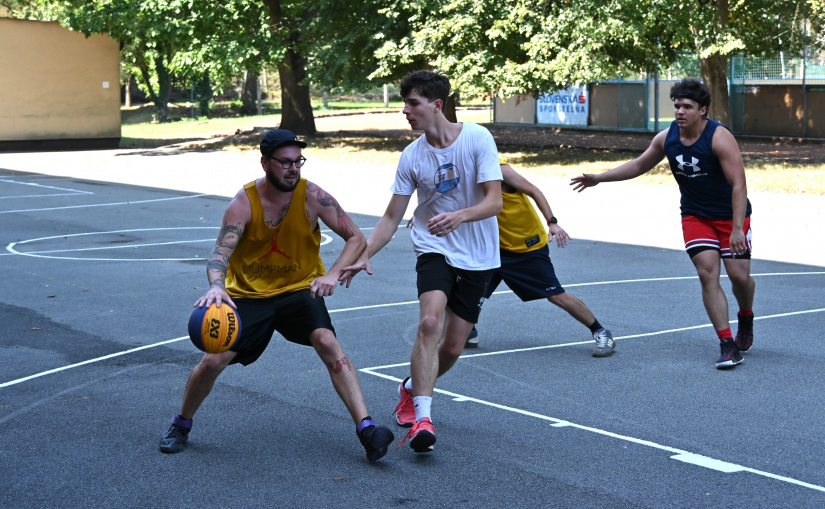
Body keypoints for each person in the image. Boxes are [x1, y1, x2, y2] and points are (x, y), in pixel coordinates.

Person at [159, 129, 394, 461]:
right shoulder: (244, 203)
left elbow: (356, 238)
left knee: (328, 342)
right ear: (265, 162)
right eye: (285, 162)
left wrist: (332, 273)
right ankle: (181, 424)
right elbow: (219, 255)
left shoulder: (313, 195)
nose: (293, 169)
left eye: (298, 161)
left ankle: (367, 430)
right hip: (250, 296)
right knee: (213, 359)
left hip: (300, 289)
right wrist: (216, 286)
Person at [341, 70, 502, 453]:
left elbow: (495, 201)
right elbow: (392, 216)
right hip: (434, 246)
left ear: (436, 105)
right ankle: (423, 418)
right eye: (405, 104)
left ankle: (412, 387)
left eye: (412, 103)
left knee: (451, 349)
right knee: (429, 322)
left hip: (479, 254)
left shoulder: (478, 138)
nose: (406, 111)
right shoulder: (412, 156)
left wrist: (460, 215)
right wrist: (365, 255)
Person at [570, 78, 755, 369]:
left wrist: (735, 229)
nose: (680, 112)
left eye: (687, 107)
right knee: (708, 274)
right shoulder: (666, 137)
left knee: (739, 278)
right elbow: (639, 165)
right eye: (677, 106)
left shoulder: (718, 137)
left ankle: (746, 315)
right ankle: (727, 343)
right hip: (695, 215)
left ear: (702, 110)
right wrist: (599, 178)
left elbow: (738, 185)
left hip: (731, 215)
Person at [465, 160, 615, 357]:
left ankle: (601, 332)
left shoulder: (500, 170)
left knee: (556, 296)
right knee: (470, 292)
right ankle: (468, 331)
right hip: (494, 248)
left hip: (526, 247)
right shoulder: (459, 173)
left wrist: (552, 222)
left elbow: (534, 191)